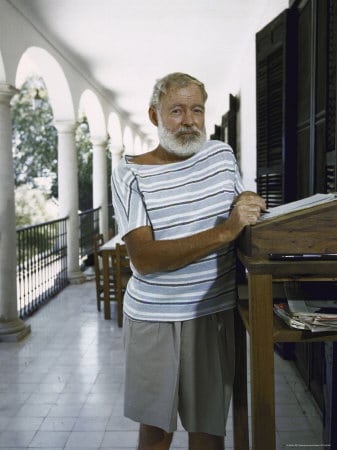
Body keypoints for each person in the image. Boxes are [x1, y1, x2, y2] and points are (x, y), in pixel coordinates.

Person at [111, 72, 266, 450]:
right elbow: (144, 259)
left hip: (213, 313)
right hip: (153, 318)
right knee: (155, 433)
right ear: (154, 116)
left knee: (209, 430)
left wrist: (249, 204)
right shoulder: (130, 173)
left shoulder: (221, 155)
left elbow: (241, 205)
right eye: (176, 111)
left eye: (196, 110)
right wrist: (223, 232)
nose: (189, 121)